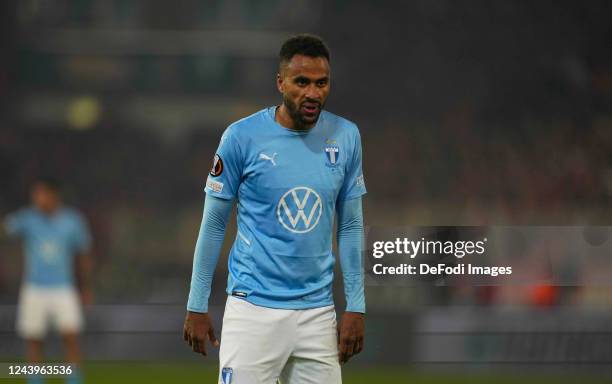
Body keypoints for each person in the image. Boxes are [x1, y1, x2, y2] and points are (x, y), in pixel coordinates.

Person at [183, 34, 366, 384]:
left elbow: (351, 225)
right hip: (253, 309)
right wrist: (197, 303)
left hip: (317, 313)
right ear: (280, 83)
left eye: (321, 83)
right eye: (301, 82)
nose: (313, 93)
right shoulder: (241, 137)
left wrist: (356, 305)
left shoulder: (346, 136)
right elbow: (214, 224)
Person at [2, 178, 93, 384]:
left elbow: (83, 254)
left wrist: (85, 286)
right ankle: (35, 380)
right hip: (34, 288)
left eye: (41, 194)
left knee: (70, 336)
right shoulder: (28, 219)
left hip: (63, 287)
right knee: (34, 338)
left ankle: (73, 379)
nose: (37, 199)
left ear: (53, 195)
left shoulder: (72, 221)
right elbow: (6, 229)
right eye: (35, 194)